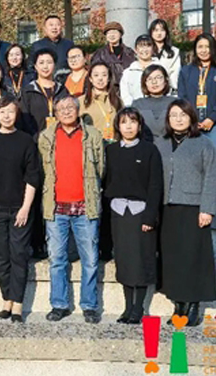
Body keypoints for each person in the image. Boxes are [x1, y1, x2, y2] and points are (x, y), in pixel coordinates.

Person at [38, 95, 104, 324]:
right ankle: (59, 304)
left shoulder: (93, 135)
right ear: (55, 113)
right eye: (61, 108)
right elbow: (44, 170)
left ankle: (89, 305)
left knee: (90, 259)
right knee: (57, 258)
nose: (66, 111)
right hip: (56, 207)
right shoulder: (46, 137)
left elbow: (101, 168)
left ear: (78, 110)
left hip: (86, 206)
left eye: (70, 107)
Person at [155, 100, 216, 326]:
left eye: (183, 115)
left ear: (191, 117)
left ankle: (192, 306)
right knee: (173, 258)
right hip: (167, 207)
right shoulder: (161, 143)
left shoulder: (203, 144)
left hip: (193, 208)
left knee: (192, 258)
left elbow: (211, 177)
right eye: (173, 115)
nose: (178, 119)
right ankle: (178, 305)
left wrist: (207, 209)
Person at [0, 97, 41, 323]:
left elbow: (32, 177)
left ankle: (17, 302)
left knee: (18, 255)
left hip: (19, 207)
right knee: (2, 256)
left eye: (11, 112)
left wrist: (25, 207)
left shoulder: (25, 141)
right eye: (3, 112)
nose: (7, 116)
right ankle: (6, 298)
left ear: (17, 114)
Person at [103, 108, 162, 324]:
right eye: (124, 122)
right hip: (119, 212)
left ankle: (139, 308)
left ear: (140, 125)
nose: (128, 126)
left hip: (141, 212)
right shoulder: (111, 151)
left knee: (142, 259)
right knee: (124, 260)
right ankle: (127, 307)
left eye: (133, 122)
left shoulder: (149, 150)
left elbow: (155, 185)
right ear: (118, 126)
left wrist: (149, 216)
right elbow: (107, 180)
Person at [20, 48, 69, 139]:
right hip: (35, 139)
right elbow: (25, 119)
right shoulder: (28, 91)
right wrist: (36, 137)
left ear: (54, 65)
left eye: (49, 62)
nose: (45, 66)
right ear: (35, 66)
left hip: (61, 138)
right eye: (41, 63)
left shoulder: (62, 90)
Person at [178, 33, 216, 144]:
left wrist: (212, 118)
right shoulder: (186, 71)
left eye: (207, 47)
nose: (203, 50)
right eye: (200, 47)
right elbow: (182, 97)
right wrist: (191, 118)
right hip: (191, 123)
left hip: (213, 124)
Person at [79, 62, 123, 142]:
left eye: (104, 75)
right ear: (90, 79)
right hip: (92, 145)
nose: (100, 78)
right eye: (96, 75)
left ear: (109, 78)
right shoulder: (81, 102)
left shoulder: (118, 101)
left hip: (114, 144)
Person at [133, 65, 173, 142]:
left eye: (158, 78)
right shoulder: (137, 104)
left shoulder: (175, 103)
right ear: (144, 83)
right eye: (149, 79)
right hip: (145, 145)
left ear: (166, 80)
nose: (154, 82)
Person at [29, 15, 74, 79]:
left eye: (57, 25)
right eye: (51, 25)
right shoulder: (37, 46)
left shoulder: (69, 44)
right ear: (45, 28)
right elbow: (30, 68)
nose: (54, 27)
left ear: (61, 27)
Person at [120, 35, 159, 106]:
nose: (144, 50)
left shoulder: (161, 68)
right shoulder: (128, 72)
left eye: (148, 46)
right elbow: (125, 94)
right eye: (141, 46)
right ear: (136, 50)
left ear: (153, 49)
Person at [150, 19, 181, 92]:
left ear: (166, 32)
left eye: (162, 30)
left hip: (168, 89)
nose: (159, 33)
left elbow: (175, 72)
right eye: (156, 30)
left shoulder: (174, 51)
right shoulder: (147, 50)